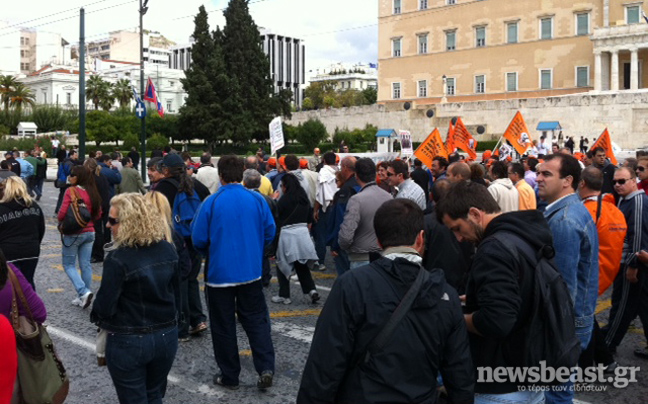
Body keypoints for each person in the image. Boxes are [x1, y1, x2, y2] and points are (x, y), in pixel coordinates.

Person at [298, 199, 474, 404]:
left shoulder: (352, 285)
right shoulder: (446, 294)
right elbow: (460, 372)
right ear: (421, 239)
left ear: (379, 242)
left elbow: (325, 363)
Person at [437, 180, 551, 403]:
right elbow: (524, 289)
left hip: (501, 383)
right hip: (530, 370)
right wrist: (483, 297)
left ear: (475, 214)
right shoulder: (522, 235)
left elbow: (497, 321)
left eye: (458, 229)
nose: (459, 238)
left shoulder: (493, 249)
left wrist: (457, 318)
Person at [191, 155, 276, 390]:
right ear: (242, 173)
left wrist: (212, 251)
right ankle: (266, 367)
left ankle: (230, 375)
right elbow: (269, 231)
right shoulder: (256, 200)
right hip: (251, 272)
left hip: (220, 275)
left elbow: (198, 238)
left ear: (220, 176)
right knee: (257, 321)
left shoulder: (211, 202)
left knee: (223, 326)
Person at [90, 193, 179, 403]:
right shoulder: (167, 249)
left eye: (113, 221)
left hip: (129, 339)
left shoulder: (118, 258)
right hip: (166, 335)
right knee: (155, 394)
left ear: (129, 222)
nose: (108, 225)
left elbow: (104, 306)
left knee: (133, 398)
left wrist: (98, 317)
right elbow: (176, 295)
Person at [536, 153, 598, 403]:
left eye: (546, 174)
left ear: (567, 181)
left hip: (562, 326)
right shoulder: (567, 211)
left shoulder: (564, 220)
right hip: (568, 323)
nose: (538, 178)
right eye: (539, 172)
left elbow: (561, 287)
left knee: (555, 393)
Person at [155, 153, 210, 337]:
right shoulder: (196, 185)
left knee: (179, 282)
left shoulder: (162, 187)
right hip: (194, 240)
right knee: (192, 279)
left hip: (174, 241)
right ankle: (198, 319)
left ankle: (182, 325)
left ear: (166, 170)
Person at [577, 166, 626, 372]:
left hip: (589, 273)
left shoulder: (586, 211)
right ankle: (606, 361)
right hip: (608, 271)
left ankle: (587, 368)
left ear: (581, 184)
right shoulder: (615, 210)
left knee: (582, 320)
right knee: (587, 317)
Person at [603, 166, 648, 358]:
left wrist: (632, 266)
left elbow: (637, 238)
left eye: (622, 181)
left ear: (633, 181)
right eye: (614, 182)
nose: (617, 185)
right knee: (643, 306)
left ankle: (607, 344)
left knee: (623, 305)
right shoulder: (626, 199)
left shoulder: (637, 201)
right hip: (629, 261)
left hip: (633, 263)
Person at [58, 165, 102, 309]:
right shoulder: (93, 191)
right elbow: (98, 214)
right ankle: (82, 296)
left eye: (72, 175)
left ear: (78, 177)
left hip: (74, 233)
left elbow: (62, 213)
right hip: (90, 231)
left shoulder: (71, 191)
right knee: (86, 265)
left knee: (69, 264)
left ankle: (83, 292)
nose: (69, 177)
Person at [272, 174, 320, 305]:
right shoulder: (304, 199)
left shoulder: (283, 200)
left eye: (282, 185)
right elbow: (310, 220)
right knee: (302, 264)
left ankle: (284, 295)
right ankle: (311, 290)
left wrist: (274, 200)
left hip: (287, 234)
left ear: (286, 186)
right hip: (303, 234)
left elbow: (276, 217)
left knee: (282, 264)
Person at [338, 158, 392, 271]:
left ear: (356, 175)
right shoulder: (388, 196)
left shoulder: (356, 200)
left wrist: (343, 246)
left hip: (361, 257)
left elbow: (346, 237)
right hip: (384, 256)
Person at [0, 177, 45, 289]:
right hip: (31, 250)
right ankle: (31, 304)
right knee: (28, 282)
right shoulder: (34, 207)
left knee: (10, 285)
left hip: (8, 251)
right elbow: (41, 229)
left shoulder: (1, 209)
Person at [243, 169, 278, 287]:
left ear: (244, 183)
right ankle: (265, 278)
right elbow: (274, 220)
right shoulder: (268, 200)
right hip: (264, 236)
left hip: (247, 235)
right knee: (264, 257)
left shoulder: (243, 199)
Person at [327, 156, 359, 275]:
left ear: (345, 168)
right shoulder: (360, 185)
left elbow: (341, 220)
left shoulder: (346, 190)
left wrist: (335, 244)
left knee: (346, 277)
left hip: (346, 242)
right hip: (361, 241)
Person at [313, 152, 339, 271]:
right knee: (337, 231)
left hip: (326, 206)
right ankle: (338, 259)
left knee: (321, 234)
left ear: (323, 160)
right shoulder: (339, 172)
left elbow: (320, 193)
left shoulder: (323, 172)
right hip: (338, 204)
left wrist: (315, 210)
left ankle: (321, 261)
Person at [84, 158, 111, 264]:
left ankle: (97, 254)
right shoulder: (101, 176)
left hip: (97, 206)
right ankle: (100, 251)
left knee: (97, 231)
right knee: (102, 230)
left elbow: (92, 194)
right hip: (105, 203)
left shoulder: (92, 179)